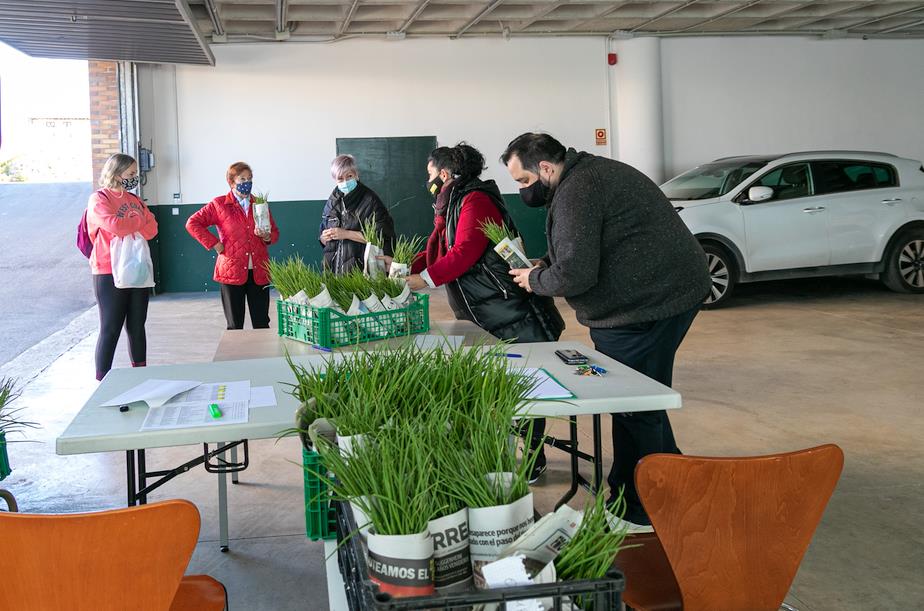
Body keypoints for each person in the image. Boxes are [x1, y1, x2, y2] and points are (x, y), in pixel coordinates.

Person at [501, 133, 711, 529]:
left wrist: (537, 280)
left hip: (649, 304)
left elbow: (576, 273)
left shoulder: (579, 189)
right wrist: (545, 263)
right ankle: (666, 480)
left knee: (635, 404)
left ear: (545, 168)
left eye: (524, 181)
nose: (523, 190)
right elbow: (578, 247)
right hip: (657, 295)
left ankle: (643, 508)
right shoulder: (584, 176)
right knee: (638, 400)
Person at [407, 143, 565, 480]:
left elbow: (465, 251)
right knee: (498, 388)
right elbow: (439, 246)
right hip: (485, 312)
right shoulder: (451, 203)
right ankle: (501, 454)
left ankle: (532, 459)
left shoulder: (475, 200)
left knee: (525, 388)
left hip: (509, 311)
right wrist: (404, 266)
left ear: (445, 174)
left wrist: (423, 280)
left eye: (431, 175)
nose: (429, 181)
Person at [86, 153, 158, 381]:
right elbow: (114, 225)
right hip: (108, 270)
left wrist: (134, 224)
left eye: (135, 173)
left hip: (136, 269)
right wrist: (139, 221)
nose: (135, 177)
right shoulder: (99, 199)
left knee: (137, 325)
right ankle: (101, 379)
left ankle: (141, 374)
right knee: (111, 327)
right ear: (117, 174)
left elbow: (153, 229)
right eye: (131, 173)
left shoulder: (134, 200)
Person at [186, 161, 279, 330]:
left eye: (249, 178)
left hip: (259, 270)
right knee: (235, 325)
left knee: (262, 323)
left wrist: (267, 236)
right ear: (231, 182)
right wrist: (214, 243)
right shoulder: (219, 204)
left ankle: (262, 356)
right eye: (242, 179)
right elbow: (192, 223)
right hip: (231, 270)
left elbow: (274, 233)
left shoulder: (259, 203)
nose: (247, 183)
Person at [319, 154, 395, 274]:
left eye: (349, 176)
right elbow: (323, 236)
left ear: (356, 174)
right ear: (335, 179)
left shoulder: (371, 200)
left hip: (362, 271)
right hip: (333, 271)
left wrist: (346, 234)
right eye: (340, 178)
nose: (345, 182)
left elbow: (382, 237)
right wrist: (324, 237)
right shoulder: (332, 202)